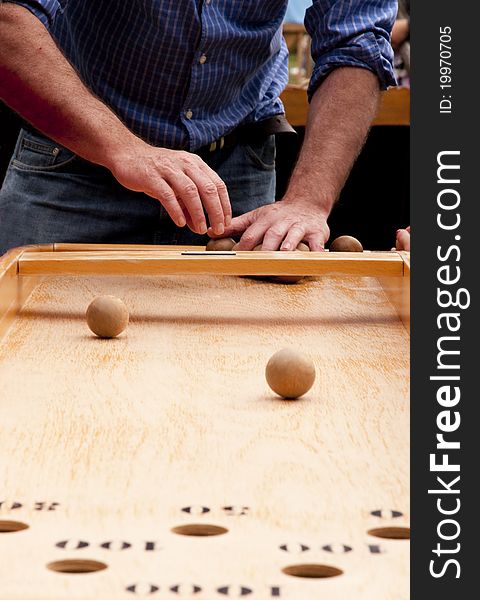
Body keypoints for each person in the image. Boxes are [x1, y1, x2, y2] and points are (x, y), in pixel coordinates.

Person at [0, 1, 396, 255]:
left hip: (235, 178)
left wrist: (309, 201)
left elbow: (356, 39)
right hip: (74, 165)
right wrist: (123, 148)